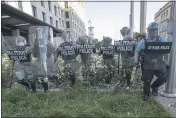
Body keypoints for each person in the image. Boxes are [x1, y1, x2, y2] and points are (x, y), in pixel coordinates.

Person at [134, 22, 169, 101]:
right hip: (147, 64)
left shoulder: (162, 39)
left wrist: (166, 61)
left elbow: (167, 48)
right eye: (153, 30)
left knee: (164, 77)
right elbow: (137, 51)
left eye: (156, 30)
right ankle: (146, 94)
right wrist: (136, 62)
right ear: (149, 31)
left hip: (159, 63)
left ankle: (154, 87)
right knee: (146, 80)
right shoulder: (144, 41)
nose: (155, 32)